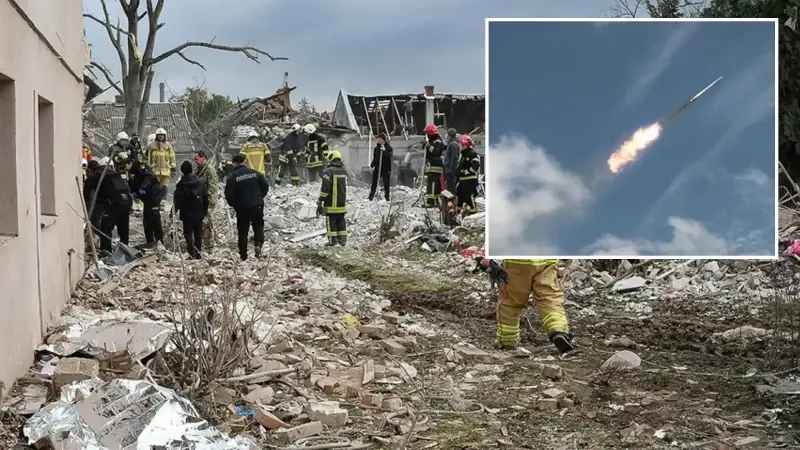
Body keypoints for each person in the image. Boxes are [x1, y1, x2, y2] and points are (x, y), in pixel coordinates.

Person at [478, 258, 574, 354]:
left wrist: (490, 260)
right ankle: (559, 330)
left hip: (517, 261)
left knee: (511, 301)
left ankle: (507, 340)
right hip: (547, 260)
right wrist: (567, 261)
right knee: (550, 297)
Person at [225, 154, 269, 260]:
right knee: (258, 227)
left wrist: (235, 205)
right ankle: (258, 245)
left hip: (242, 208)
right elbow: (265, 187)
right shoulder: (255, 173)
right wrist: (259, 198)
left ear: (234, 163)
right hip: (257, 205)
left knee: (243, 231)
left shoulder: (232, 177)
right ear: (244, 162)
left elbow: (229, 195)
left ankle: (243, 255)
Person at [83, 159, 133, 253]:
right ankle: (124, 249)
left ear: (90, 169)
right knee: (123, 226)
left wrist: (87, 211)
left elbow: (86, 195)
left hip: (115, 202)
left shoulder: (94, 176)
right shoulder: (112, 173)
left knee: (105, 228)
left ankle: (106, 252)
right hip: (127, 200)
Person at [173, 161, 208, 259]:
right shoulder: (199, 182)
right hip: (199, 212)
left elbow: (177, 200)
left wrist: (173, 212)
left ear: (182, 171)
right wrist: (205, 211)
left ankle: (191, 253)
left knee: (188, 234)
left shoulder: (181, 184)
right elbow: (205, 197)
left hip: (187, 214)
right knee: (198, 233)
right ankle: (198, 253)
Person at [127, 159, 164, 247]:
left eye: (126, 166)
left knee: (154, 220)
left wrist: (141, 189)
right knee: (147, 221)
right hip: (147, 200)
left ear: (130, 163)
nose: (126, 168)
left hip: (153, 197)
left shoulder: (141, 168)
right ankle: (150, 241)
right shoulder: (135, 173)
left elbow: (149, 177)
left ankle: (159, 241)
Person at [318, 150, 348, 246]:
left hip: (331, 204)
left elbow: (325, 188)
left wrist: (320, 200)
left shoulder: (329, 171)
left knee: (331, 222)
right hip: (341, 204)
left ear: (331, 158)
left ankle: (333, 241)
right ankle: (342, 240)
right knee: (341, 221)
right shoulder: (344, 171)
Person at [193, 150, 220, 250]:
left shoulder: (209, 170)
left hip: (207, 201)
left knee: (206, 224)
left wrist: (209, 205)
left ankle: (209, 247)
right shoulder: (198, 170)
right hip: (199, 202)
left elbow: (213, 189)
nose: (195, 161)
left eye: (196, 159)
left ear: (203, 158)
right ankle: (202, 246)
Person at [146, 127, 176, 207]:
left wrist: (173, 168)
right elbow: (148, 158)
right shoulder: (152, 146)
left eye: (162, 135)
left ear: (165, 136)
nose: (161, 137)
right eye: (159, 135)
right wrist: (148, 168)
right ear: (156, 136)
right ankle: (155, 202)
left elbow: (172, 156)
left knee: (164, 187)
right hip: (155, 170)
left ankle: (163, 203)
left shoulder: (168, 146)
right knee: (155, 187)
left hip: (166, 170)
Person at [455, 135, 481, 215]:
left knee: (469, 196)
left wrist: (468, 171)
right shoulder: (463, 154)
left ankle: (472, 212)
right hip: (462, 180)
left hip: (470, 180)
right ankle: (458, 212)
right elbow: (460, 166)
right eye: (462, 145)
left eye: (464, 145)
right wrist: (458, 173)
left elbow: (476, 165)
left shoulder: (472, 153)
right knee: (460, 196)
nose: (462, 147)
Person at [422, 124, 445, 207]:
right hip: (431, 166)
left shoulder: (437, 141)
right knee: (433, 184)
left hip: (435, 166)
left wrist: (428, 145)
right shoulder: (432, 141)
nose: (426, 135)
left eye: (427, 133)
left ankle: (431, 202)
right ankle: (436, 201)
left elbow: (435, 152)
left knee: (432, 184)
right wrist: (425, 145)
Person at [368, 133, 393, 201]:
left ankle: (387, 197)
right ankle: (371, 196)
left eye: (378, 138)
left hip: (386, 168)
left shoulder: (388, 147)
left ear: (382, 139)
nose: (377, 140)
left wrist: (384, 151)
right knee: (374, 182)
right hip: (377, 167)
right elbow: (375, 158)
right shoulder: (376, 148)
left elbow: (390, 156)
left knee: (386, 183)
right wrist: (372, 165)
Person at [444, 128, 460, 193]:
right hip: (449, 169)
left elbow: (455, 156)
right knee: (449, 186)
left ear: (449, 136)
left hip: (451, 170)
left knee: (451, 187)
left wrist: (451, 168)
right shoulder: (451, 144)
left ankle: (453, 201)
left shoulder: (453, 144)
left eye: (447, 134)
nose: (445, 136)